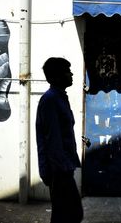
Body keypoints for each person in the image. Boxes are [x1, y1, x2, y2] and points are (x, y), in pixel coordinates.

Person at [36, 57, 83, 223]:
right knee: (69, 215)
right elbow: (52, 140)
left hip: (63, 168)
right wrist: (60, 171)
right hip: (59, 170)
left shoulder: (59, 97)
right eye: (66, 71)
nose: (71, 74)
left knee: (68, 214)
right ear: (56, 77)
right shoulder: (51, 100)